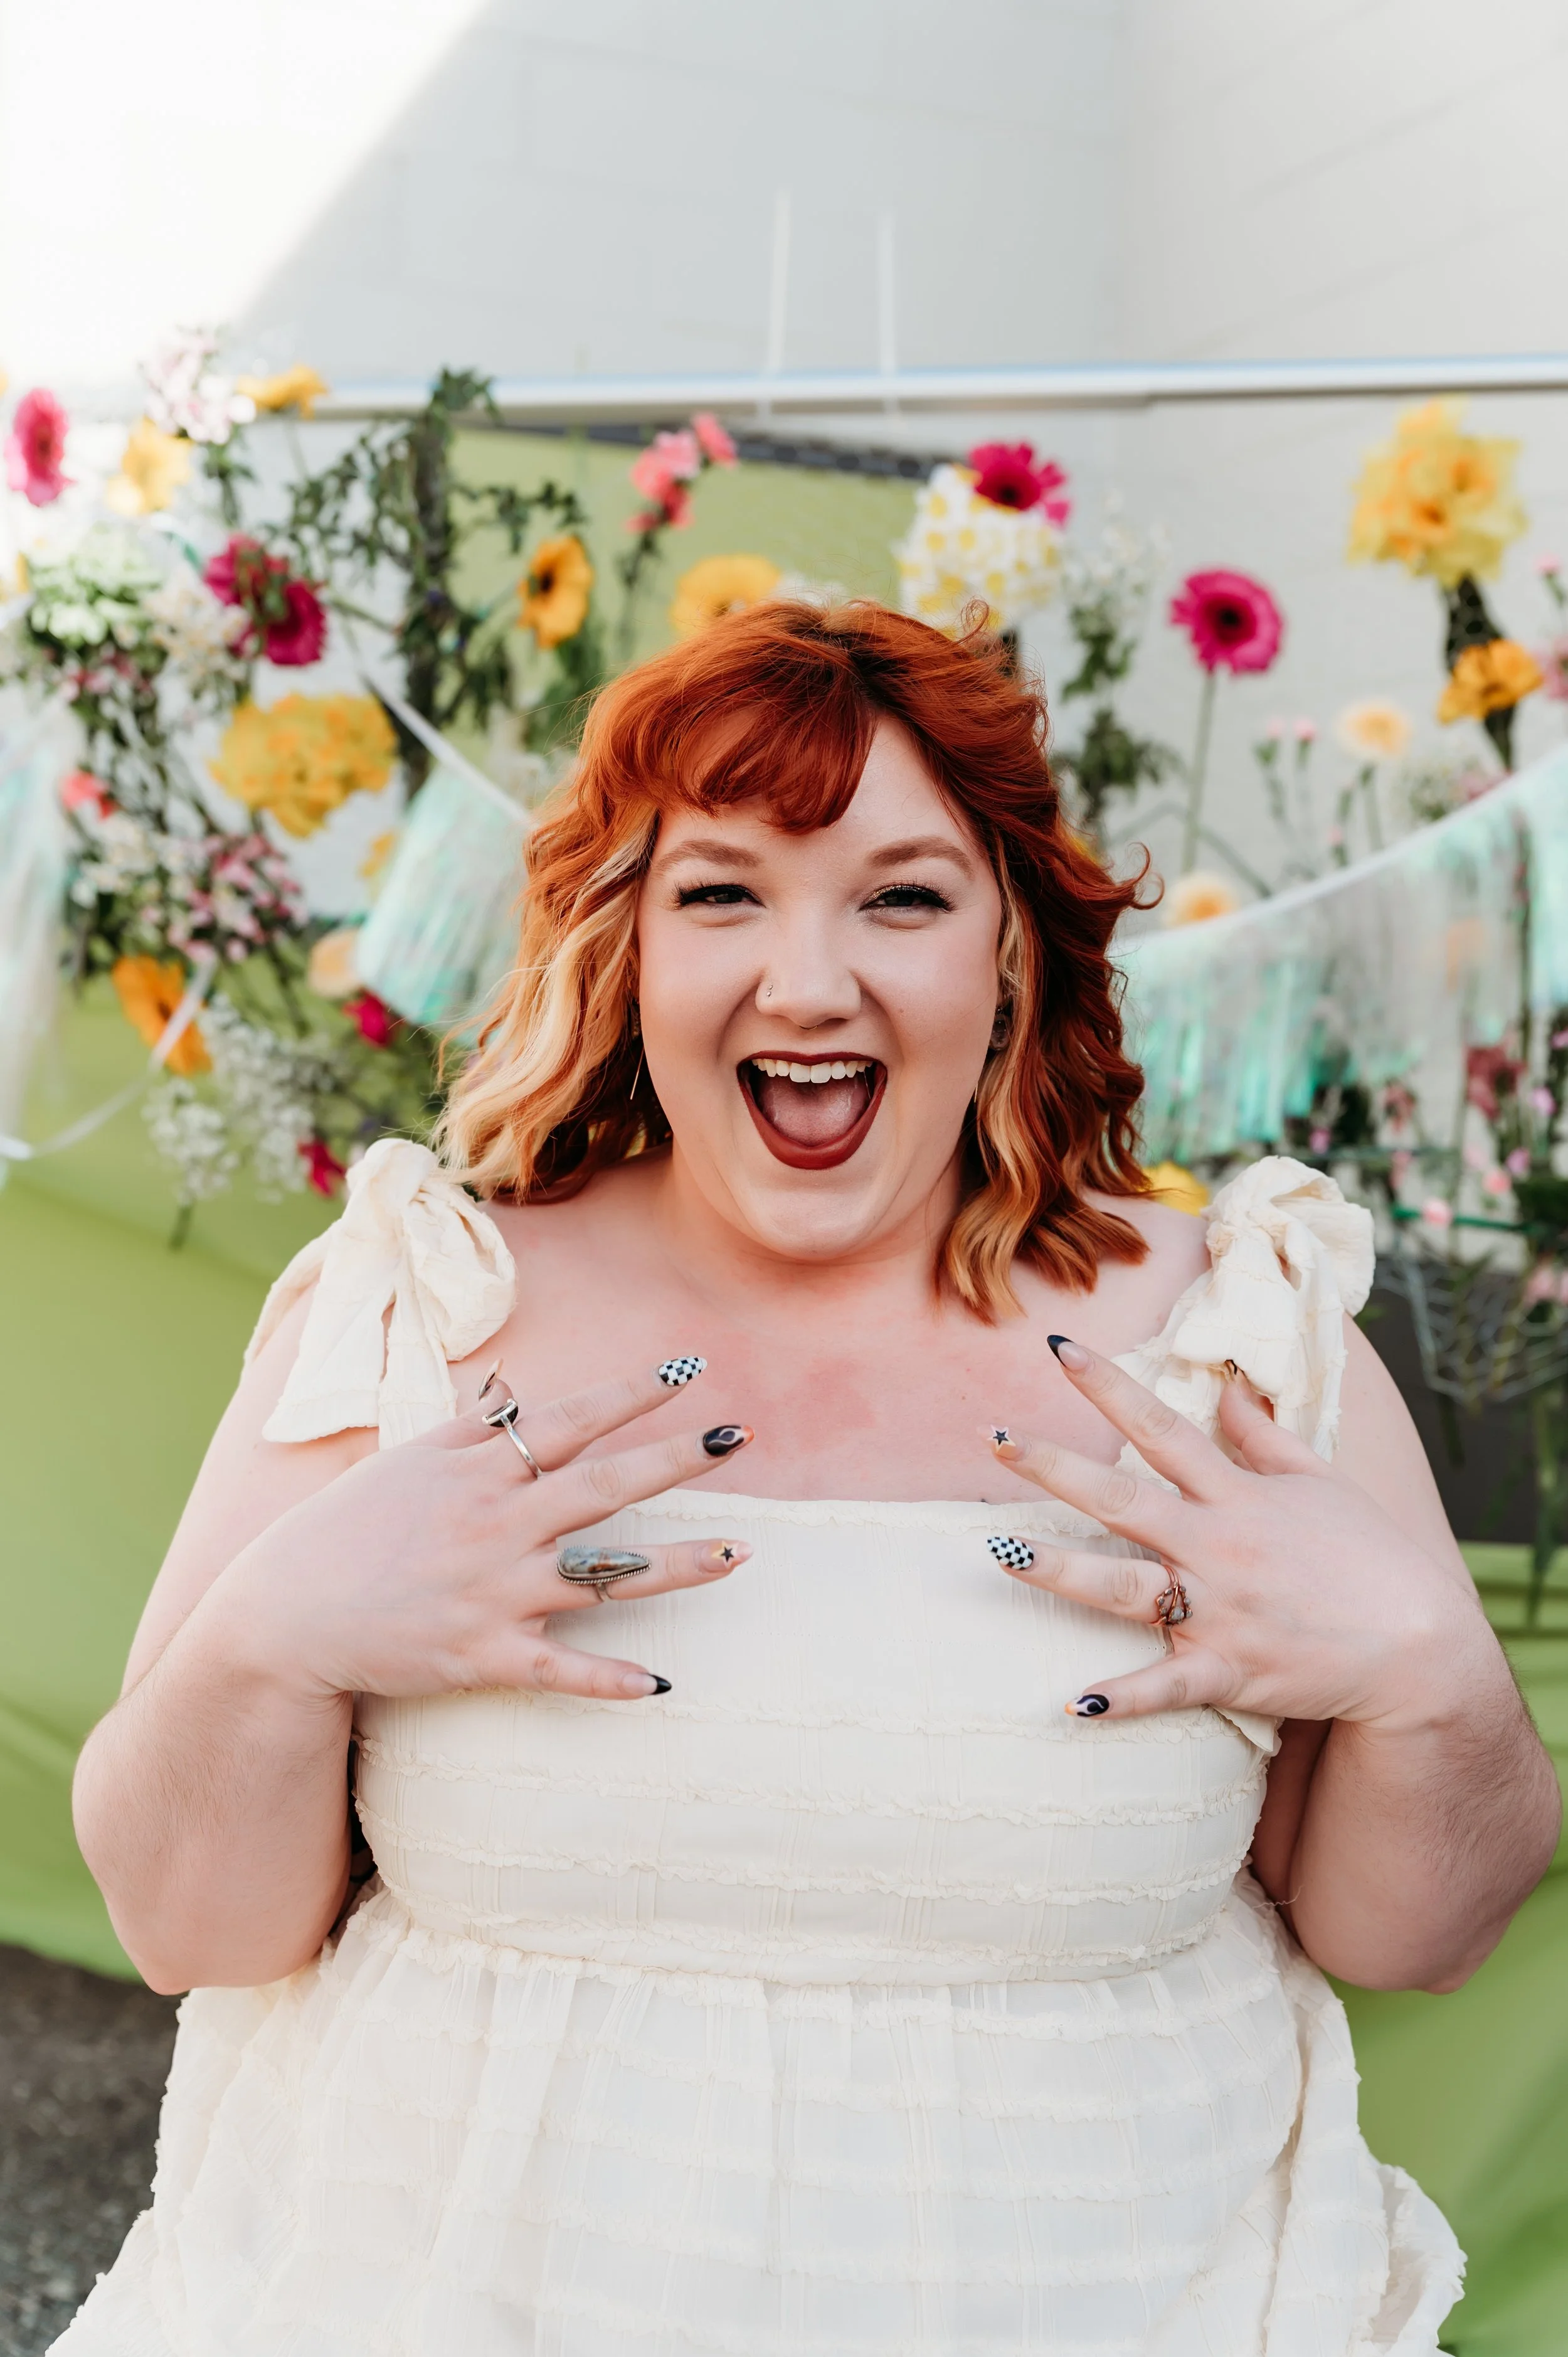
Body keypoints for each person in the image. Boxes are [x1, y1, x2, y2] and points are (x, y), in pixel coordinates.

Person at [58, 602, 1557, 2356]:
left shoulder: (1242, 1337)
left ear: (1008, 949)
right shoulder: (416, 1303)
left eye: (901, 894)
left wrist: (1426, 1676)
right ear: (622, 943)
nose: (808, 978)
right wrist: (278, 1636)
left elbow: (1418, 1932)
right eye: (721, 891)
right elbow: (184, 1923)